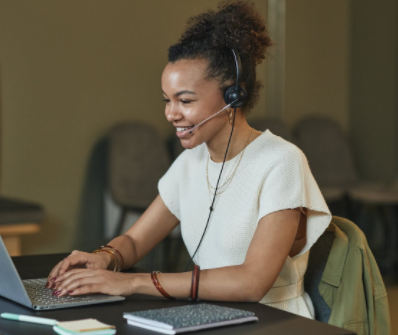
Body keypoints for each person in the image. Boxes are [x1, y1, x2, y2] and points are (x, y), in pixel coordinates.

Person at [46, 0, 331, 319]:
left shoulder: (282, 161)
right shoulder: (189, 163)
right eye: (167, 100)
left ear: (233, 96)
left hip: (273, 321)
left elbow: (252, 283)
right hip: (210, 316)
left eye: (185, 100)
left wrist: (131, 283)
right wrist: (104, 259)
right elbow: (134, 241)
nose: (170, 113)